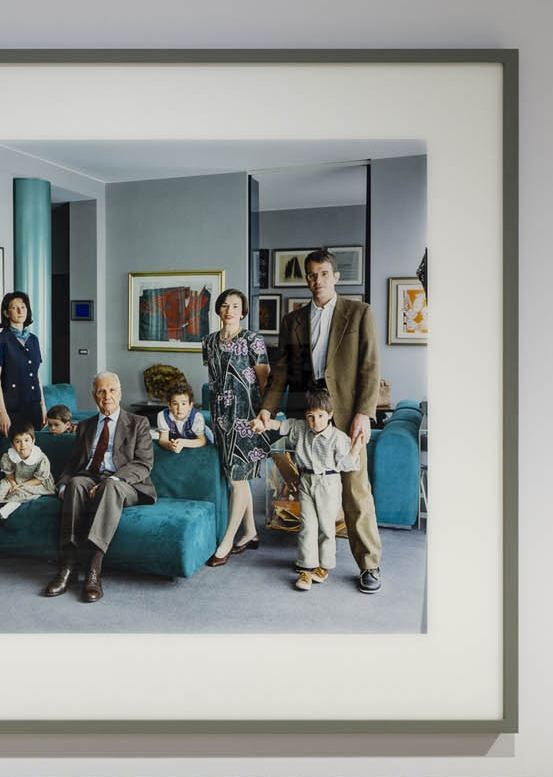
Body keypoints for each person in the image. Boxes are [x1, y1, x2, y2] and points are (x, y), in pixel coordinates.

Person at [258, 249, 385, 594]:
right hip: (307, 419)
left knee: (356, 492)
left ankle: (369, 565)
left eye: (324, 274)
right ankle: (311, 560)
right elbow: (281, 371)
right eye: (312, 275)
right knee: (311, 492)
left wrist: (364, 413)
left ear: (336, 276)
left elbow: (370, 368)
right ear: (307, 279)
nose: (318, 281)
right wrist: (269, 408)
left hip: (346, 417)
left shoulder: (359, 313)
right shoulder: (292, 320)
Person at [43, 371, 153, 603]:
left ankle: (94, 570)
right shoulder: (85, 426)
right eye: (101, 391)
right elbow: (73, 465)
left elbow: (143, 464)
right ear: (94, 396)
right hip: (90, 476)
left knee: (109, 488)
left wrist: (112, 480)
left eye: (112, 390)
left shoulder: (138, 423)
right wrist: (62, 486)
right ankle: (69, 567)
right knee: (75, 483)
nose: (107, 396)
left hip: (125, 483)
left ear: (120, 394)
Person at [199, 287, 275, 566]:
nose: (229, 310)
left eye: (235, 306)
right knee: (234, 474)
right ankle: (251, 533)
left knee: (237, 478)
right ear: (218, 310)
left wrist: (264, 416)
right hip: (220, 416)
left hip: (247, 416)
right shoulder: (208, 341)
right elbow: (215, 378)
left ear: (242, 311)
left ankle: (228, 541)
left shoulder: (253, 339)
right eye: (224, 305)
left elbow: (265, 380)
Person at [263, 388, 355, 590]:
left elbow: (348, 464)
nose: (315, 422)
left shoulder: (338, 438)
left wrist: (356, 447)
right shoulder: (301, 428)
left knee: (326, 528)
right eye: (311, 417)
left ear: (330, 415)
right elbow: (280, 425)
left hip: (328, 483)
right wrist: (265, 422)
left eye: (321, 416)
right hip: (306, 480)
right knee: (307, 526)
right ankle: (306, 569)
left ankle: (324, 567)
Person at [0, 291, 44, 447]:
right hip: (11, 407)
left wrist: (43, 406)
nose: (20, 311)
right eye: (14, 307)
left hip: (33, 405)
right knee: (5, 453)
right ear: (6, 312)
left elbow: (37, 375)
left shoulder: (34, 340)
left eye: (23, 307)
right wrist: (2, 413)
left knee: (34, 453)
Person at [152, 381, 208, 453]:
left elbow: (202, 441)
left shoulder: (197, 417)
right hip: (177, 438)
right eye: (175, 404)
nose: (179, 408)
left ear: (190, 405)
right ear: (169, 405)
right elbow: (163, 439)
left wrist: (184, 443)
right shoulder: (162, 415)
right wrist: (170, 445)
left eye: (183, 404)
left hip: (199, 436)